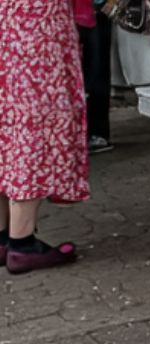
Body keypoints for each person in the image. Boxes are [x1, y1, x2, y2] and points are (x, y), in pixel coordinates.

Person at [0, 0, 91, 274]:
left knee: (8, 122)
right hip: (37, 23)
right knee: (35, 125)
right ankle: (22, 242)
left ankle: (4, 237)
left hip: (8, 21)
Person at [78, 0, 114, 154]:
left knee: (96, 69)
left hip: (95, 9)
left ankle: (96, 133)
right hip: (66, 13)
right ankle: (87, 132)